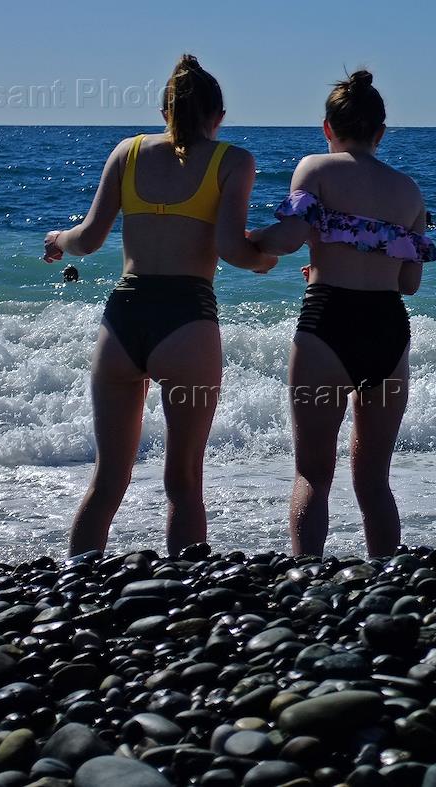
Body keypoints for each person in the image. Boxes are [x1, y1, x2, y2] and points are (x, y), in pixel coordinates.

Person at [43, 54, 277, 557]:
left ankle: (77, 583)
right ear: (218, 116)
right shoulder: (233, 161)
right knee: (184, 479)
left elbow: (89, 238)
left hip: (123, 320)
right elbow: (232, 249)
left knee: (108, 479)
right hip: (186, 320)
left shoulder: (126, 153)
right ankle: (184, 588)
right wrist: (264, 259)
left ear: (164, 111)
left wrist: (58, 239)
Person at [249, 70, 436, 557]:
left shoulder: (315, 169)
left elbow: (288, 240)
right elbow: (409, 284)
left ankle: (305, 578)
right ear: (381, 132)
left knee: (313, 473)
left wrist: (241, 239)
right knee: (374, 479)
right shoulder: (409, 192)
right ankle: (386, 578)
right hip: (387, 329)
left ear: (327, 128)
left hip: (328, 319)